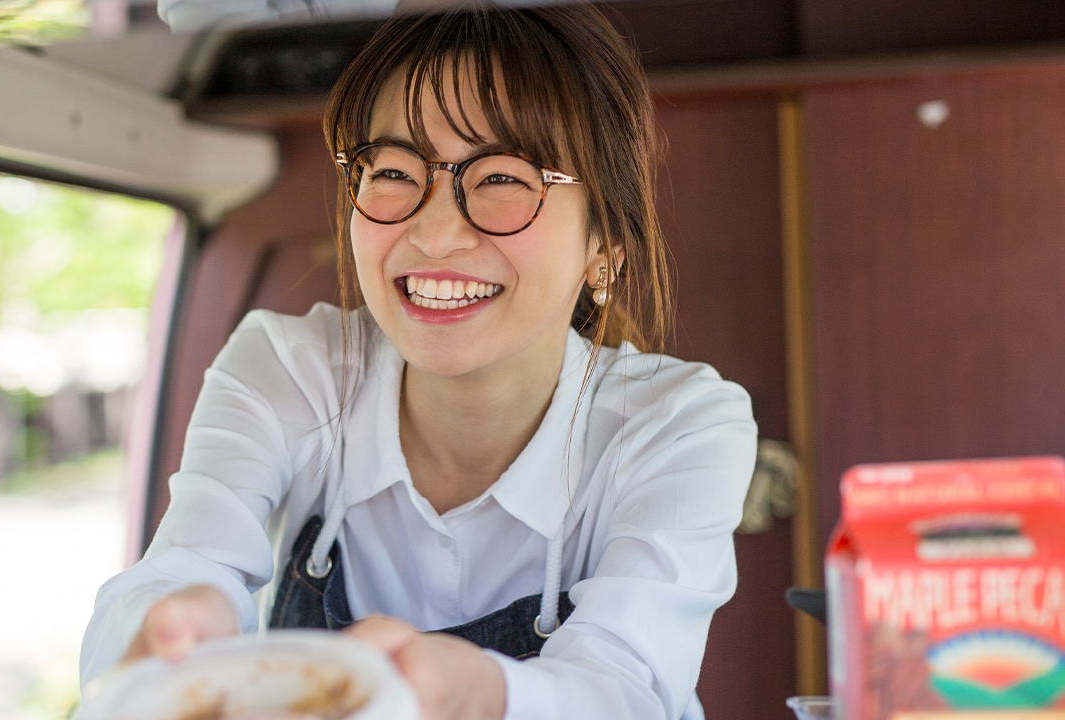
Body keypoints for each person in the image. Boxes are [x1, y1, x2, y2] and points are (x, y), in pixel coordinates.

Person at [78, 6, 758, 720]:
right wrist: (171, 630)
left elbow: (626, 688)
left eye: (502, 178)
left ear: (604, 247)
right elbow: (185, 567)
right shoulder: (289, 369)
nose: (434, 234)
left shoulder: (677, 424)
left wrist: (475, 690)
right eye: (396, 171)